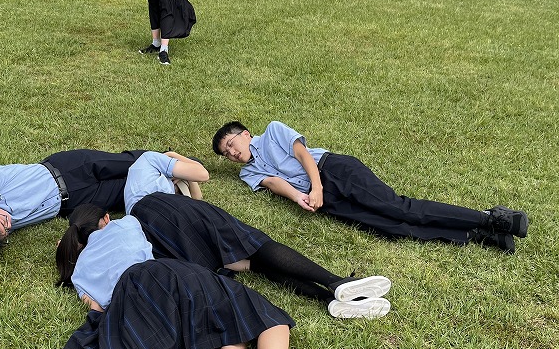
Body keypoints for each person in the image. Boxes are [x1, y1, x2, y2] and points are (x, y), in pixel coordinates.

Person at [56, 206, 330, 349]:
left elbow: (97, 308)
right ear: (105, 218)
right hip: (160, 275)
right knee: (258, 311)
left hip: (136, 310)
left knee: (223, 308)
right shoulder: (125, 223)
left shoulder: (79, 272)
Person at [125, 152, 392, 318]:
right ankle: (336, 281)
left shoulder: (134, 195)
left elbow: (196, 201)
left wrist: (181, 182)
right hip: (167, 210)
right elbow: (201, 175)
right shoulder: (149, 158)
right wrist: (176, 157)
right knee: (256, 244)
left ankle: (330, 300)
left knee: (253, 264)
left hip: (159, 237)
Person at [213, 121, 529, 253]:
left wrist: (316, 187)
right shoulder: (248, 173)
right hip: (323, 199)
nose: (231, 153)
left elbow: (303, 154)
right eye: (226, 154)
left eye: (230, 144)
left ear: (245, 133)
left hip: (333, 170)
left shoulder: (272, 131)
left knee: (400, 209)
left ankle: (493, 218)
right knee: (392, 229)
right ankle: (478, 235)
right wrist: (301, 197)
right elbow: (274, 182)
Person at [0, 149, 145, 287]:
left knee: (134, 162)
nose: (10, 224)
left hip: (70, 169)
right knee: (134, 190)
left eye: (2, 222)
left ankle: (166, 158)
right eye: (7, 231)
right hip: (73, 202)